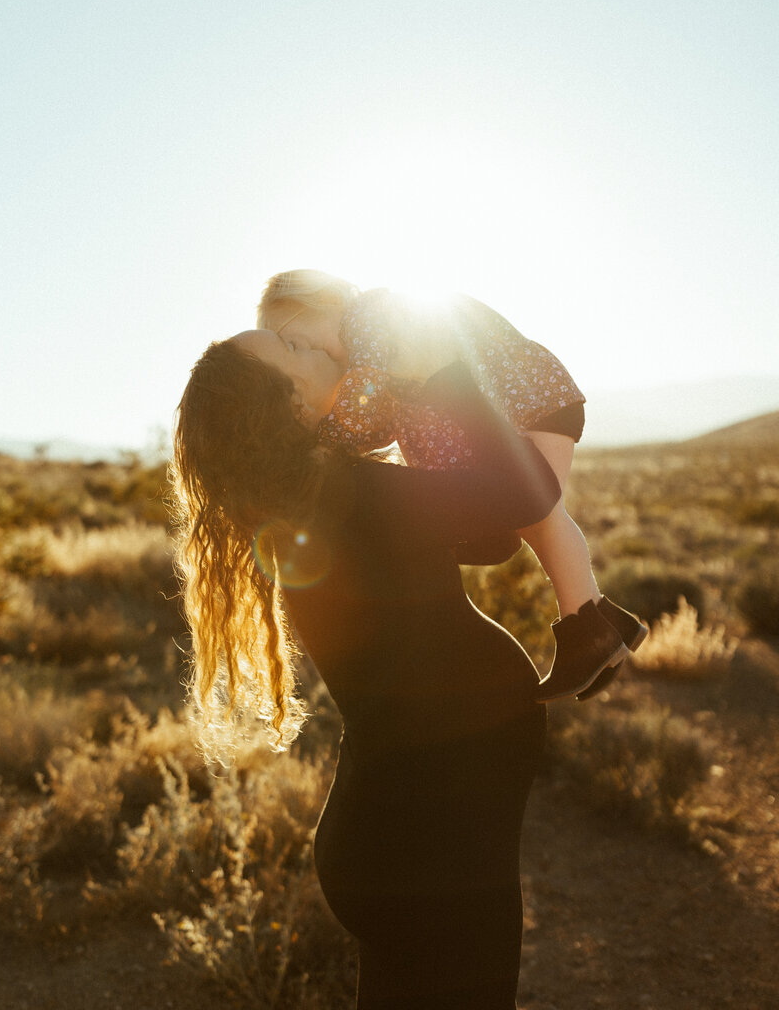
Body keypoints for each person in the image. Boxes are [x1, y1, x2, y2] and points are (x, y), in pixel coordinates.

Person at [171, 326, 564, 1008]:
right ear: (284, 403)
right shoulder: (349, 492)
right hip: (431, 845)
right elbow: (528, 496)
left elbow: (494, 537)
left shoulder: (323, 496)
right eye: (289, 351)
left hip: (403, 836)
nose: (308, 342)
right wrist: (449, 371)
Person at [257, 270, 648, 701]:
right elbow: (378, 425)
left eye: (301, 341)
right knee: (533, 518)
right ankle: (607, 625)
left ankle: (590, 636)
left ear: (324, 303)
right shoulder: (371, 346)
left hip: (530, 400)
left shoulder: (365, 319)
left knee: (543, 516)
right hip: (509, 407)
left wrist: (328, 435)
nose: (311, 354)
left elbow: (366, 395)